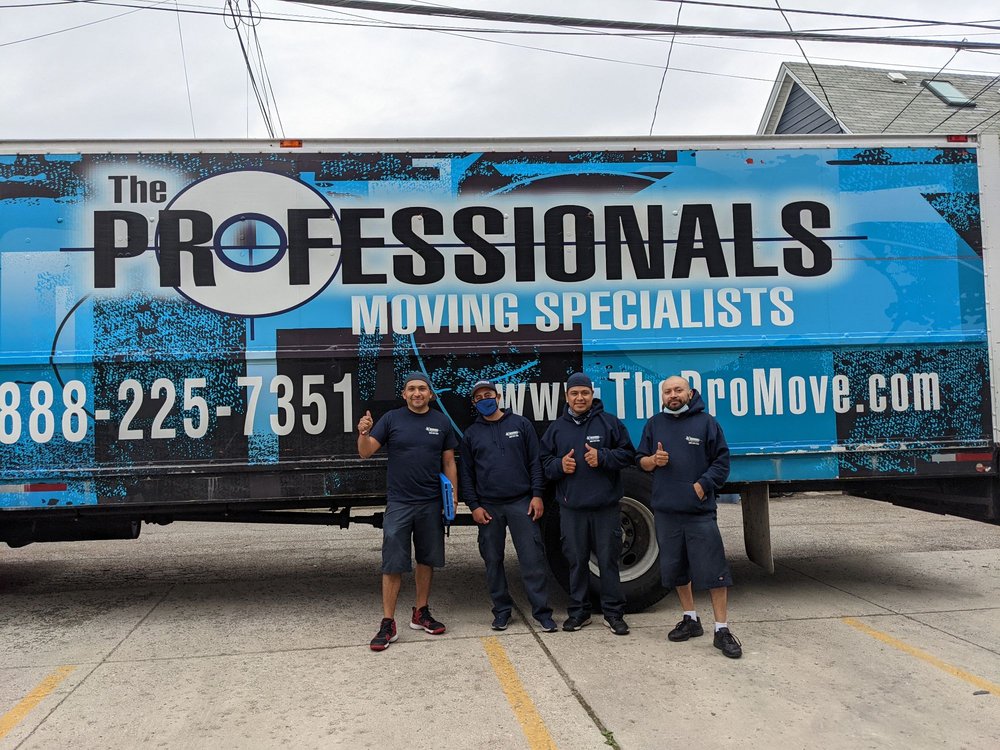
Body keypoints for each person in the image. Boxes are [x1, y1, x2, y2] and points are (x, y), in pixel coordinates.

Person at [636, 375, 743, 659]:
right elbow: (641, 460)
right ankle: (690, 619)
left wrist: (702, 486)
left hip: (699, 513)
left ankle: (722, 629)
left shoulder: (707, 423)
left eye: (678, 390)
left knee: (714, 572)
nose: (673, 395)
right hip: (666, 512)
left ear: (690, 393)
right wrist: (652, 461)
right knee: (677, 569)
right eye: (667, 391)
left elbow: (722, 462)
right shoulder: (654, 424)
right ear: (662, 397)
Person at [357, 371, 459, 652]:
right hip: (400, 503)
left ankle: (420, 613)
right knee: (393, 563)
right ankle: (388, 623)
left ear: (431, 394)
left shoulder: (441, 422)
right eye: (412, 389)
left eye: (422, 389)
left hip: (431, 503)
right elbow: (365, 452)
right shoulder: (391, 419)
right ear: (404, 394)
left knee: (426, 560)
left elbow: (449, 462)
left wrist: (453, 496)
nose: (417, 393)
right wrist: (363, 433)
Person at [540, 372, 636, 636]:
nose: (579, 398)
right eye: (574, 393)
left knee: (608, 561)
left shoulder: (609, 423)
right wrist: (560, 465)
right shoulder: (557, 429)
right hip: (572, 509)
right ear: (567, 397)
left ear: (592, 395)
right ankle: (579, 612)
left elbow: (629, 455)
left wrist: (603, 457)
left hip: (605, 508)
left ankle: (613, 613)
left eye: (584, 393)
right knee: (576, 562)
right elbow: (544, 463)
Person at [459, 380, 558, 633]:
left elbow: (535, 462)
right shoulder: (471, 434)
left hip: (521, 503)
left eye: (488, 394)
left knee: (532, 559)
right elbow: (466, 474)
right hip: (488, 507)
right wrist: (474, 506)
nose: (485, 399)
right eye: (479, 397)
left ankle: (542, 613)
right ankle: (502, 611)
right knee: (493, 561)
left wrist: (537, 495)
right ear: (474, 403)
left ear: (499, 397)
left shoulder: (521, 424)